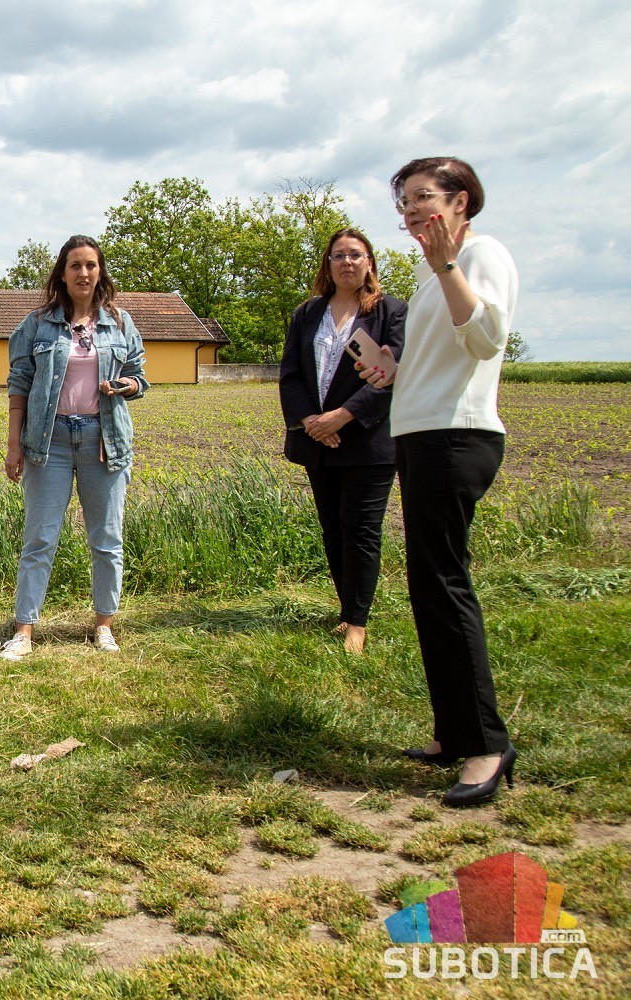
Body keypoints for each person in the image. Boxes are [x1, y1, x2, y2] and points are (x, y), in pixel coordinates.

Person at [358, 157, 519, 807]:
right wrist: (392, 368)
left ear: (461, 202)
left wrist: (448, 265)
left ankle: (486, 745)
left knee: (445, 583)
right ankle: (455, 733)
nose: (410, 210)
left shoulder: (481, 256)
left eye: (423, 196)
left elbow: (487, 339)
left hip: (457, 435)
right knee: (429, 585)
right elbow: (442, 356)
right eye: (403, 201)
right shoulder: (433, 276)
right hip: (423, 432)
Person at [1, 235, 149, 661]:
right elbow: (19, 385)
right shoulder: (37, 324)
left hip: (104, 441)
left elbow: (140, 377)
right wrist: (14, 445)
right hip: (50, 442)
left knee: (106, 539)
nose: (83, 273)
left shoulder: (120, 322)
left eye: (90, 265)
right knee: (39, 538)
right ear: (62, 274)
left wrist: (126, 385)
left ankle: (104, 626)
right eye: (75, 266)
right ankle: (24, 631)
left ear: (100, 272)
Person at [278, 228, 406, 655]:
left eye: (355, 255)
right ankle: (347, 610)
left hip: (367, 442)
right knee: (333, 530)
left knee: (361, 531)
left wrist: (342, 416)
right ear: (327, 264)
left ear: (369, 262)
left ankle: (358, 623)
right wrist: (311, 421)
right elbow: (291, 374)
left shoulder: (390, 312)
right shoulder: (307, 313)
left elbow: (392, 375)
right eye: (338, 255)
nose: (347, 262)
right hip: (319, 440)